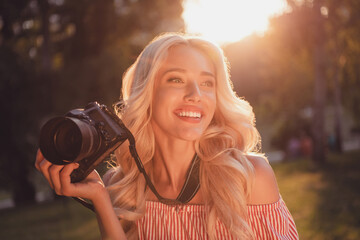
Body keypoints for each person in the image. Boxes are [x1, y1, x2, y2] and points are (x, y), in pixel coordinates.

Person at [35, 33, 299, 239]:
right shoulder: (121, 187)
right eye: (176, 80)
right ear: (147, 93)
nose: (196, 94)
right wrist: (100, 199)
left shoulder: (249, 177)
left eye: (207, 83)